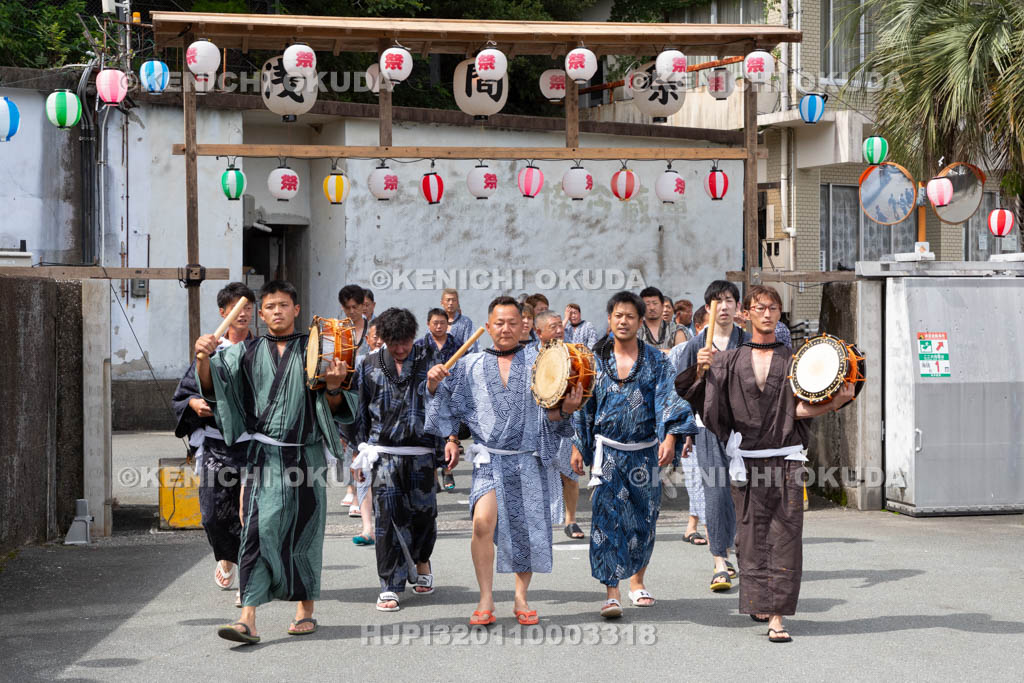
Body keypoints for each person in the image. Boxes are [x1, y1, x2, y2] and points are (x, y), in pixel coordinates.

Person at [195, 280, 358, 645]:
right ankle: (247, 619)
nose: (277, 312)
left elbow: (338, 405)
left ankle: (305, 610)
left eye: (284, 305)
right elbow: (212, 385)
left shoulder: (315, 348)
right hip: (262, 455)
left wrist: (333, 388)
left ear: (296, 310)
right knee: (255, 529)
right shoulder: (245, 351)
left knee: (304, 530)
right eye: (270, 307)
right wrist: (203, 358)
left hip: (305, 453)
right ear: (260, 313)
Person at [702, 285, 854, 643]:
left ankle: (777, 618)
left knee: (785, 537)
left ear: (779, 313)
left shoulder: (794, 359)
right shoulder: (729, 358)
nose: (767, 313)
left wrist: (836, 403)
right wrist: (703, 370)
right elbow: (710, 407)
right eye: (760, 307)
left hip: (786, 460)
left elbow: (800, 408)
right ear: (747, 313)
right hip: (748, 462)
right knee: (751, 538)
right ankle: (760, 600)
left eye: (773, 308)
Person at [425, 296, 582, 626]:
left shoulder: (542, 363)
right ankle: (485, 597)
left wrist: (566, 411)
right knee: (482, 523)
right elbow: (448, 405)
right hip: (490, 459)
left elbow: (553, 414)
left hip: (527, 458)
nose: (506, 328)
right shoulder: (469, 365)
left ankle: (521, 597)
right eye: (499, 322)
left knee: (525, 531)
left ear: (524, 325)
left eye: (513, 322)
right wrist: (433, 384)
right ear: (488, 325)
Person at [571, 291, 697, 618]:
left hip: (645, 453)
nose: (623, 321)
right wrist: (576, 446)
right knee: (605, 520)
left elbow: (671, 399)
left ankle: (637, 581)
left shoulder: (656, 360)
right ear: (610, 320)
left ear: (641, 322)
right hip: (608, 452)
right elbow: (584, 408)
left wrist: (670, 438)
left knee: (643, 520)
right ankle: (611, 592)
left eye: (630, 316)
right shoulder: (594, 360)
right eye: (618, 316)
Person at [349, 308, 456, 612]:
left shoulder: (430, 363)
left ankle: (421, 560)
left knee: (424, 515)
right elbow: (358, 414)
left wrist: (449, 439)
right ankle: (390, 584)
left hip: (422, 454)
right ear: (383, 339)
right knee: (388, 520)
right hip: (383, 455)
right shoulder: (368, 366)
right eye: (393, 342)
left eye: (405, 342)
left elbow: (448, 403)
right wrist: (358, 454)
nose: (399, 349)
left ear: (413, 338)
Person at [172, 282, 255, 609]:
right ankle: (227, 557)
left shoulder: (261, 349)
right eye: (237, 307)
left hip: (253, 445)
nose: (244, 313)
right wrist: (194, 404)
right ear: (224, 313)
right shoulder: (210, 350)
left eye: (248, 307)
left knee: (251, 513)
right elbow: (184, 394)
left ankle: (248, 579)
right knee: (213, 516)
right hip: (217, 446)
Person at [670, 280, 747, 593]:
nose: (725, 306)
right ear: (709, 308)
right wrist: (699, 371)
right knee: (715, 491)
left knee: (740, 493)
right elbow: (682, 391)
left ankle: (740, 552)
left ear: (737, 306)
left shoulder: (748, 341)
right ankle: (719, 561)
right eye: (718, 301)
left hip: (743, 430)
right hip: (707, 427)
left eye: (729, 300)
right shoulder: (695, 345)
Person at [534, 310, 583, 539]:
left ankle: (571, 520)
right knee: (537, 478)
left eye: (560, 326)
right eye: (553, 326)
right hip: (539, 425)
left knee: (570, 474)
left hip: (568, 423)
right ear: (539, 332)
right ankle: (539, 524)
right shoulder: (529, 358)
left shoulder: (574, 354)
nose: (559, 330)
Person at [415, 307, 462, 492]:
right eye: (435, 323)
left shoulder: (457, 344)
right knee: (432, 432)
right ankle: (433, 474)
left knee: (450, 432)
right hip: (430, 392)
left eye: (443, 322)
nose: (439, 326)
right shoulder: (420, 345)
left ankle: (448, 470)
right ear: (428, 324)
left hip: (451, 391)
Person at [339, 284, 372, 517]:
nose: (351, 311)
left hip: (370, 394)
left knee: (366, 444)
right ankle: (353, 487)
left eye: (355, 307)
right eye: (347, 308)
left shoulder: (374, 330)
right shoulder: (338, 331)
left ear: (364, 306)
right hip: (346, 392)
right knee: (348, 443)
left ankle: (363, 492)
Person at [637, 286, 680, 351]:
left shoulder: (676, 329)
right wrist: (669, 351)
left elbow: (681, 354)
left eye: (655, 303)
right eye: (647, 304)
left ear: (662, 306)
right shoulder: (635, 329)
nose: (652, 308)